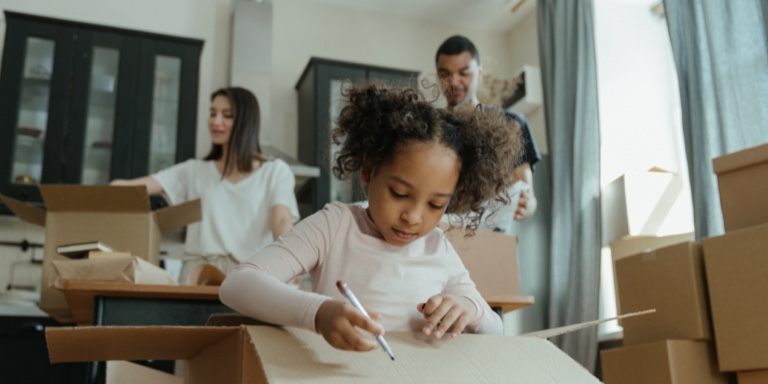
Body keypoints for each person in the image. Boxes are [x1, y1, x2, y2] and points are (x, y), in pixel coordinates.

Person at [220, 81, 524, 353]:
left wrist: (469, 308)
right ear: (368, 170)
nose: (413, 217)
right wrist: (319, 313)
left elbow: (496, 329)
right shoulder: (335, 226)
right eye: (400, 194)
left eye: (435, 204)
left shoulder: (438, 247)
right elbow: (238, 285)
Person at [110, 87, 299, 282]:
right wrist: (104, 193)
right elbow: (132, 188)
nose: (216, 122)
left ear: (246, 121)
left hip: (249, 275)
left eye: (227, 115)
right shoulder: (194, 170)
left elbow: (281, 220)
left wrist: (291, 261)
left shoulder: (275, 171)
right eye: (212, 113)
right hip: (197, 276)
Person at [435, 35, 542, 231]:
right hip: (438, 237)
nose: (454, 81)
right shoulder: (430, 127)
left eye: (463, 73)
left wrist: (526, 206)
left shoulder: (511, 123)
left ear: (479, 71)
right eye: (445, 74)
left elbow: (528, 196)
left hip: (490, 239)